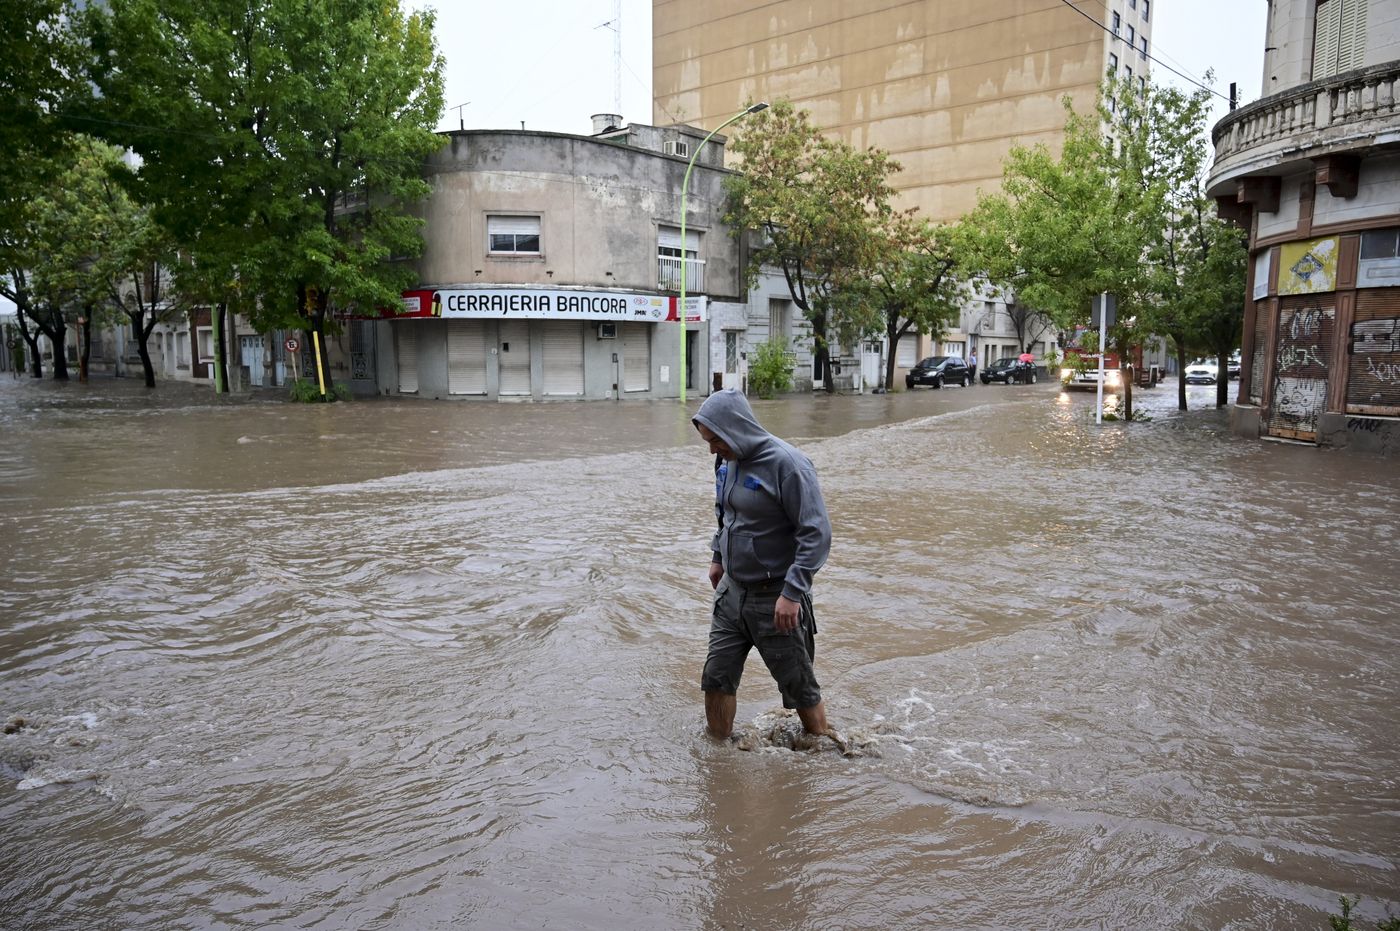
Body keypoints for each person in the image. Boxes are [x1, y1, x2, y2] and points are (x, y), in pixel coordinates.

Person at [692, 389, 836, 743]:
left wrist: (792, 593)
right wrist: (717, 557)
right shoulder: (726, 461)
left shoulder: (789, 465)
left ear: (736, 429)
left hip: (776, 597)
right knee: (717, 675)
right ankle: (718, 756)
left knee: (799, 685)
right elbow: (724, 514)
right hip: (731, 592)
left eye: (716, 440)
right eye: (708, 441)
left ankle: (823, 748)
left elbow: (816, 534)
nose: (712, 449)